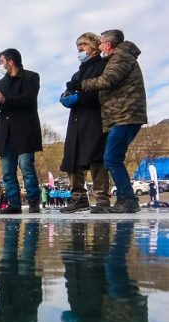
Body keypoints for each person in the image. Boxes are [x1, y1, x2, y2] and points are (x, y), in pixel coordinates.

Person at [71, 30, 147, 213]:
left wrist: (81, 85)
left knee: (111, 158)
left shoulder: (121, 57)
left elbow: (108, 79)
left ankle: (128, 199)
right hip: (120, 115)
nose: (100, 45)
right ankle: (124, 199)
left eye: (102, 42)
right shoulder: (118, 58)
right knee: (114, 158)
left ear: (109, 44)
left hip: (126, 115)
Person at [59, 33, 110, 213]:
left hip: (95, 117)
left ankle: (103, 198)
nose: (80, 49)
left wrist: (79, 96)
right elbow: (69, 89)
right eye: (78, 46)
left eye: (84, 45)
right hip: (76, 119)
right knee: (72, 158)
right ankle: (79, 198)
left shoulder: (104, 66)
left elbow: (102, 91)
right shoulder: (78, 73)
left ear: (95, 46)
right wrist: (66, 96)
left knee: (96, 157)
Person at [0, 48, 43, 214]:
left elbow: (29, 99)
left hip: (25, 128)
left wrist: (5, 99)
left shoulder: (31, 77)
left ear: (10, 62)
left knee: (27, 167)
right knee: (7, 171)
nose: (0, 64)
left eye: (1, 60)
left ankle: (33, 201)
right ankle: (13, 203)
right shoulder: (1, 83)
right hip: (6, 131)